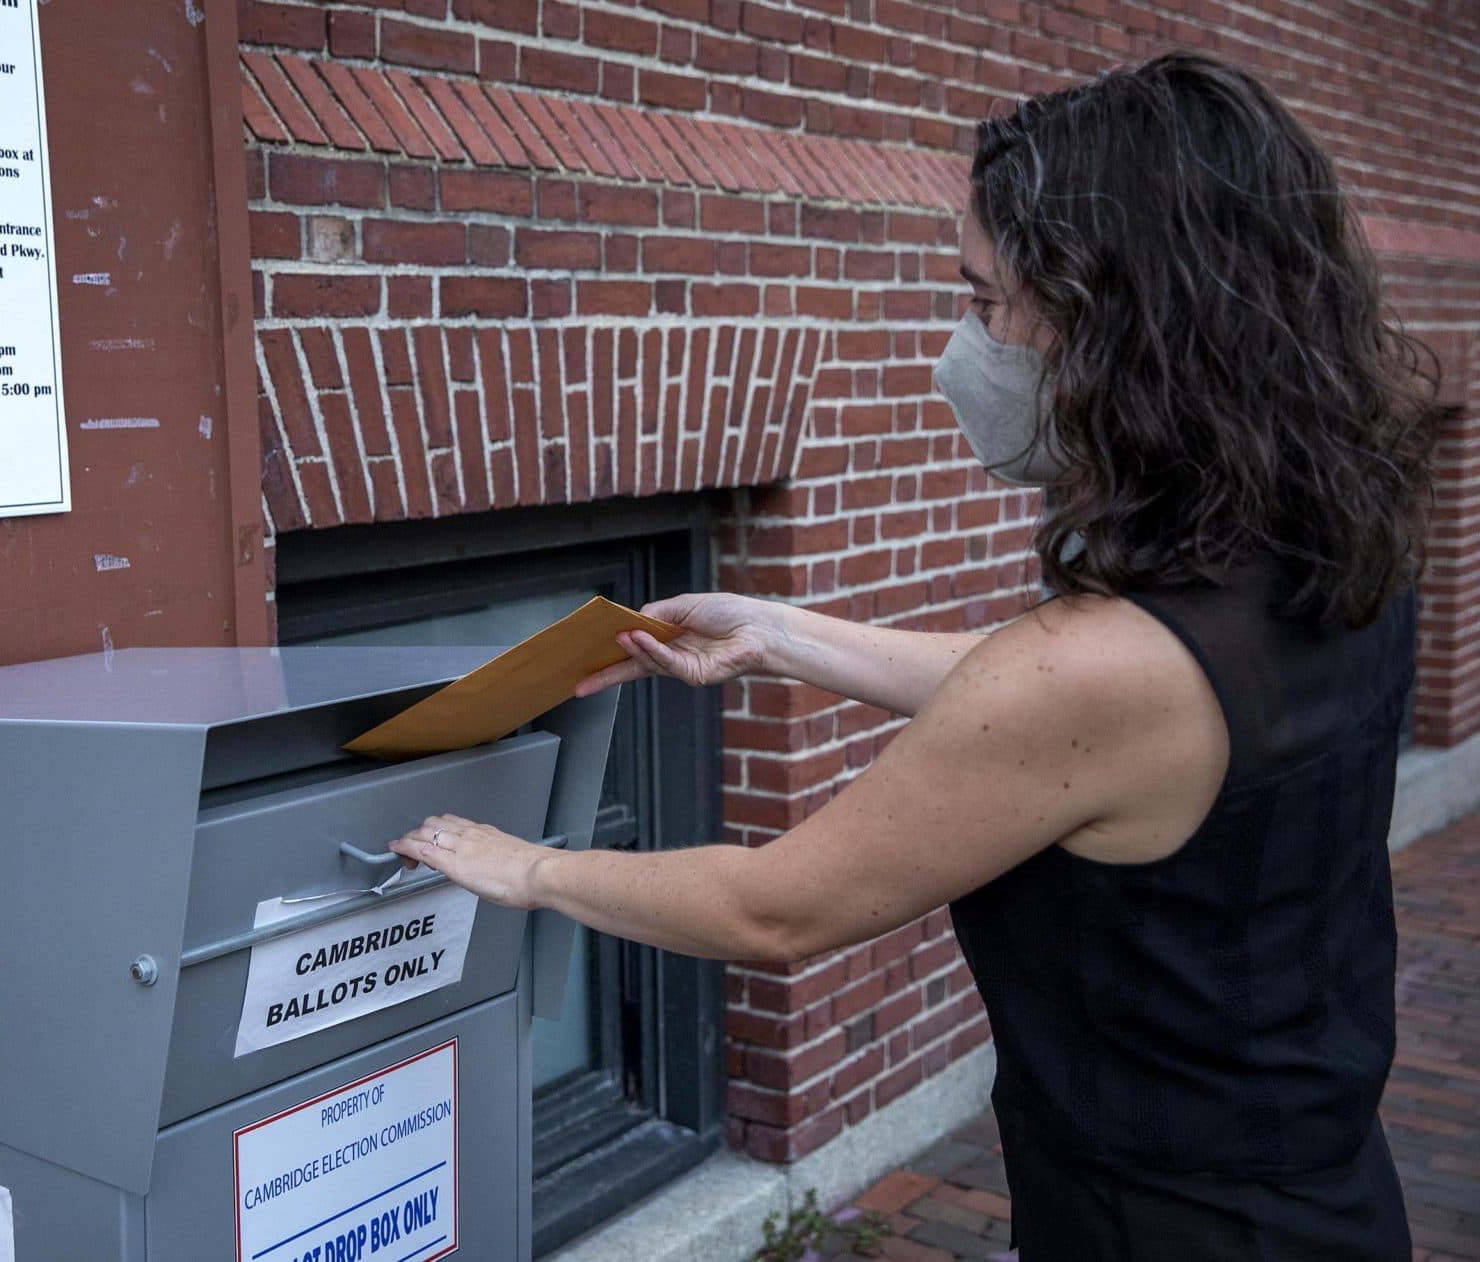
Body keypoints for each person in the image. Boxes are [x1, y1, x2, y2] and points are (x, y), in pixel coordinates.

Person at [389, 51, 1445, 1260]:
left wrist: (530, 871)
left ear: (1115, 319)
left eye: (986, 301)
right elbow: (1080, 726)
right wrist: (782, 635)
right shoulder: (1333, 548)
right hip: (1328, 1193)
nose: (966, 343)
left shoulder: (1099, 669)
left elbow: (775, 904)